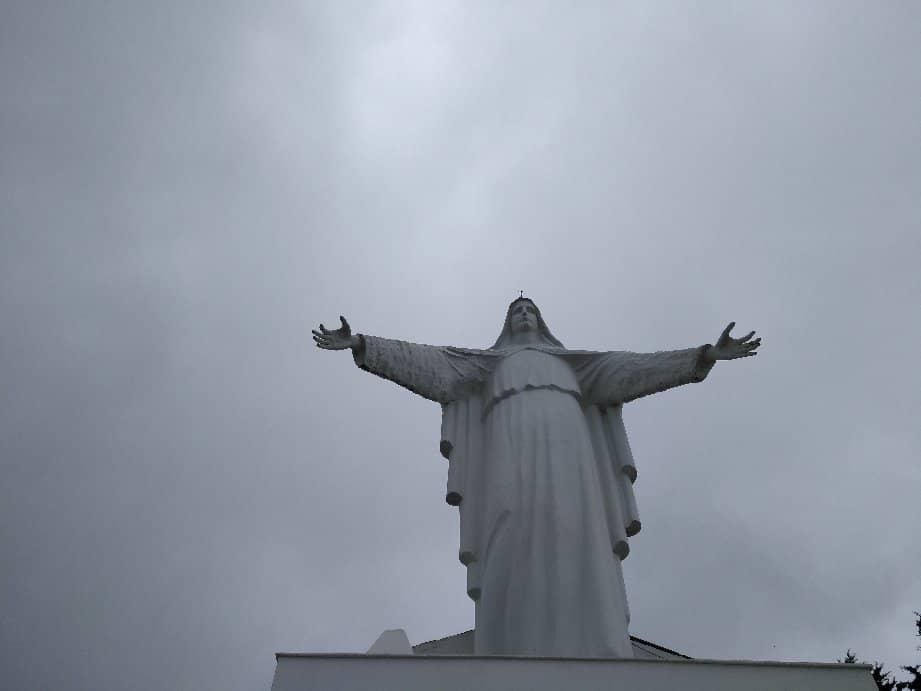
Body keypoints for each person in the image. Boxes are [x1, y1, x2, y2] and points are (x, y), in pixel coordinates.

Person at [313, 297, 760, 657]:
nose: (524, 315)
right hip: (508, 444)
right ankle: (512, 639)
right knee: (510, 521)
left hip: (569, 449)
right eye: (516, 312)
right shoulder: (485, 365)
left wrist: (702, 357)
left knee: (572, 524)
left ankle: (591, 638)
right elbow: (433, 365)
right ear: (507, 326)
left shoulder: (575, 365)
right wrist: (362, 345)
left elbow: (631, 370)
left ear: (542, 323)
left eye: (530, 310)